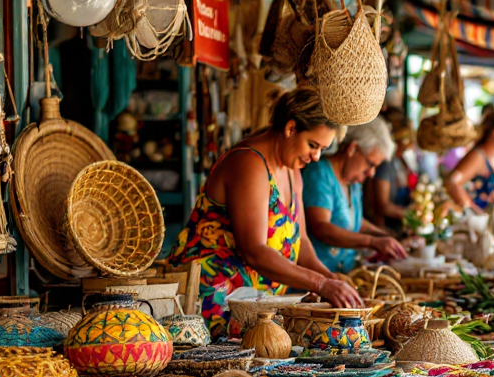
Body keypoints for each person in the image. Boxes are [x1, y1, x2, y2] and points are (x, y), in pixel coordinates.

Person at [168, 86, 362, 337]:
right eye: (313, 145)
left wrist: (330, 278)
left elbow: (300, 240)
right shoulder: (249, 162)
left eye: (322, 149)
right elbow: (254, 251)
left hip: (251, 304)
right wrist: (321, 284)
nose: (316, 157)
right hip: (209, 305)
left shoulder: (292, 169)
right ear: (291, 128)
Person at [303, 117, 408, 273]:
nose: (371, 173)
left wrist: (386, 236)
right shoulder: (319, 173)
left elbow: (356, 221)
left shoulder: (353, 180)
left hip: (346, 274)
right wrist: (372, 242)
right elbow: (321, 228)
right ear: (352, 149)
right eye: (370, 164)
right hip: (320, 278)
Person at [444, 110, 494, 213]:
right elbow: (453, 182)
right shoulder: (478, 156)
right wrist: (472, 211)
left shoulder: (490, 155)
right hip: (474, 224)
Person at [365, 113, 417, 231]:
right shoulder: (385, 163)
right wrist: (413, 216)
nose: (408, 146)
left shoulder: (400, 160)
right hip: (385, 227)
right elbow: (382, 206)